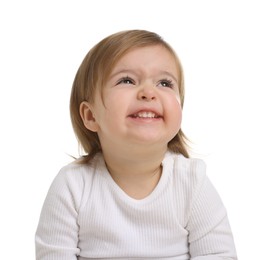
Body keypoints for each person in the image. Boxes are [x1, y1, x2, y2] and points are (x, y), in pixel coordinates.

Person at [35, 30, 237, 259]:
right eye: (127, 80)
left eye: (165, 82)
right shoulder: (72, 185)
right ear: (91, 116)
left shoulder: (191, 182)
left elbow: (219, 254)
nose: (149, 92)